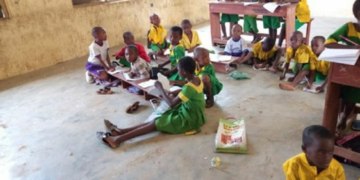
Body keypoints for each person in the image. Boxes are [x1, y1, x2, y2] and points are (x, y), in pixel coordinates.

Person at [96, 57, 206, 148]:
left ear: (184, 72)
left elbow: (172, 104)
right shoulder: (196, 79)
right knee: (156, 120)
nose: (177, 71)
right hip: (192, 112)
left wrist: (161, 89)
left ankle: (117, 140)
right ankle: (120, 132)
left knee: (155, 123)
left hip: (190, 119)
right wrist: (173, 93)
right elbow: (186, 91)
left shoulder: (188, 88)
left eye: (178, 69)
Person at [325, 0, 360, 132]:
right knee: (344, 94)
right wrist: (351, 47)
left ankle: (345, 116)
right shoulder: (349, 28)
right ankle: (342, 117)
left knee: (353, 95)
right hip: (348, 70)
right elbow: (329, 42)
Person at [85, 26, 117, 94]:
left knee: (111, 74)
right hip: (93, 65)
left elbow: (106, 54)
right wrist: (107, 68)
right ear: (97, 36)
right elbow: (100, 59)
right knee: (105, 77)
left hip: (101, 65)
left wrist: (110, 65)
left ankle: (98, 75)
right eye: (103, 33)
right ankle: (90, 73)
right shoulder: (93, 46)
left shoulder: (105, 42)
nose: (106, 34)